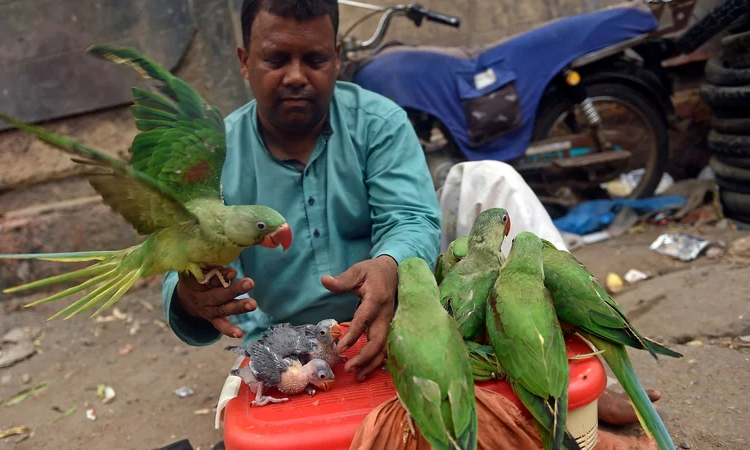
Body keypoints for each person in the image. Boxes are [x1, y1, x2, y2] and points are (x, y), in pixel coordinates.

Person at [159, 0, 661, 438]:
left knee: (491, 181)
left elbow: (412, 217)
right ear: (245, 62)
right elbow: (179, 262)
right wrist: (190, 296)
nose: (295, 75)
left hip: (405, 317)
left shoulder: (378, 121)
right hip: (284, 348)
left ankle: (574, 377)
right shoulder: (213, 155)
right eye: (276, 59)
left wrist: (390, 266)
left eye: (313, 59)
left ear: (336, 59)